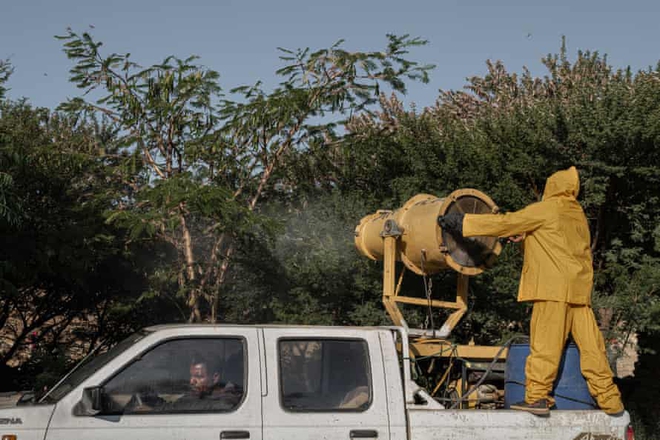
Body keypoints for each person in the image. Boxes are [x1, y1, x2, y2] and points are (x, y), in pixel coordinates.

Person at [438, 166, 624, 417]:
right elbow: (556, 243)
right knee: (593, 350)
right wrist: (526, 237)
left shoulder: (547, 208)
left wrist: (464, 223)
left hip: (553, 290)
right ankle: (610, 400)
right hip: (579, 292)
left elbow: (506, 223)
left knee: (545, 346)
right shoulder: (576, 213)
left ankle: (537, 398)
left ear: (552, 187)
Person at [173, 353, 242, 411]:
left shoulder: (229, 399)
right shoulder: (203, 393)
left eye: (199, 377)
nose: (192, 381)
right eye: (191, 376)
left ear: (215, 378)